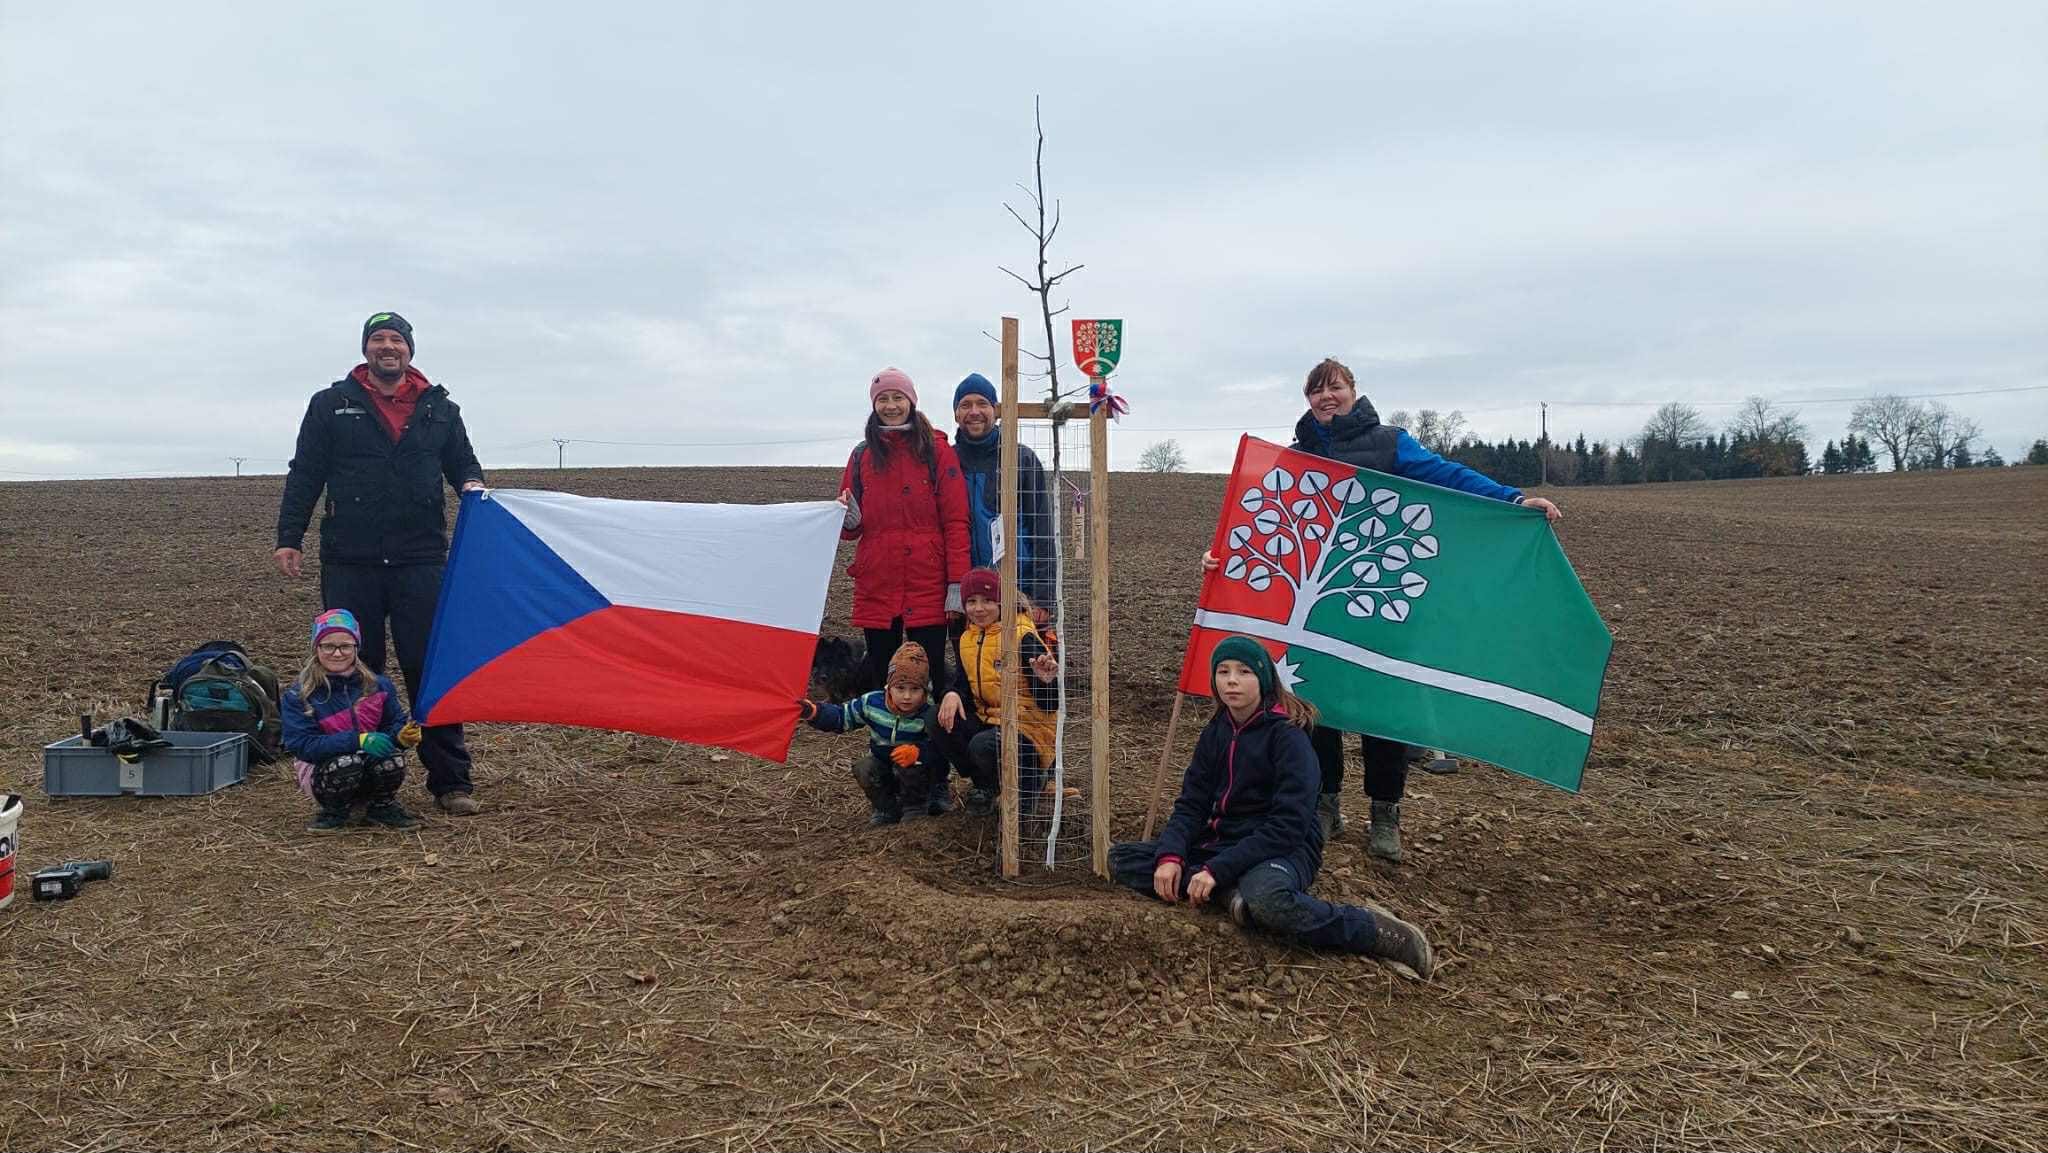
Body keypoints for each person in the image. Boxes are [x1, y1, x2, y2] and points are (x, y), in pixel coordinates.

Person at [1203, 357, 1561, 861]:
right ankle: (1324, 804)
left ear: (1353, 390)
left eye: (1335, 387)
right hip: (1321, 603)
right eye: (1316, 391)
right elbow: (1257, 511)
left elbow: (1446, 475)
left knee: (1384, 711)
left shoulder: (1390, 444)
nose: (1326, 397)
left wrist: (1512, 500)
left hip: (1381, 602)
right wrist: (1221, 556)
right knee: (1315, 711)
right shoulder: (1296, 457)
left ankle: (1385, 813)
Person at [1109, 637, 1434, 974]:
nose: (1232, 681)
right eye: (1223, 671)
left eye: (1244, 672)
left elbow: (1288, 826)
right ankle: (1229, 893)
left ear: (1263, 678)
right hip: (1223, 841)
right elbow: (1191, 804)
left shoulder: (1289, 736)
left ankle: (1373, 930)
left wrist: (1216, 869)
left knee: (1269, 902)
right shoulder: (1215, 732)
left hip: (1282, 849)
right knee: (1123, 859)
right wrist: (1171, 856)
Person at [275, 312, 486, 815]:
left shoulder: (441, 409)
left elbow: (463, 464)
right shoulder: (330, 404)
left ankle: (451, 782)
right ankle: (360, 781)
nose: (387, 347)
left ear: (409, 350)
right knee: (353, 667)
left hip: (420, 558)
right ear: (365, 349)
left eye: (396, 339)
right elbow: (306, 473)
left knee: (428, 667)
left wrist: (474, 487)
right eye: (377, 339)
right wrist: (289, 538)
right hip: (351, 558)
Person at [835, 367, 970, 810]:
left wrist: (956, 584)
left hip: (927, 582)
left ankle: (934, 779)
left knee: (931, 684)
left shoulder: (936, 452)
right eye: (883, 399)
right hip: (879, 584)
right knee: (884, 687)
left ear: (912, 401)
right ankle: (890, 783)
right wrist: (847, 517)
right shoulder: (861, 456)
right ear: (873, 405)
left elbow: (956, 520)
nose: (891, 406)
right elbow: (849, 526)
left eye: (898, 398)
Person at [934, 567, 1059, 816]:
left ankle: (1031, 784)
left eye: (988, 600)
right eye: (971, 601)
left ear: (1002, 602)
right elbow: (963, 683)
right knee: (936, 719)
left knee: (982, 745)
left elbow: (1050, 704)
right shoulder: (967, 640)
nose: (979, 608)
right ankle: (987, 786)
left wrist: (1046, 681)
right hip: (991, 720)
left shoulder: (1022, 636)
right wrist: (952, 693)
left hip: (1028, 727)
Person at [281, 609, 421, 832]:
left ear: (356, 648)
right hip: (326, 771)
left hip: (370, 765)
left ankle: (382, 806)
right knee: (347, 762)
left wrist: (400, 737)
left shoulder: (379, 685)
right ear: (316, 648)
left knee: (393, 758)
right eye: (328, 646)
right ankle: (334, 811)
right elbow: (302, 745)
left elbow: (393, 722)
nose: (337, 654)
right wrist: (358, 740)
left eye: (345, 646)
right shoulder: (300, 695)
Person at [799, 643, 942, 826]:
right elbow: (842, 717)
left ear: (924, 690)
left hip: (915, 771)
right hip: (883, 763)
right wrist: (814, 712)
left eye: (914, 689)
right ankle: (886, 808)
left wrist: (919, 752)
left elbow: (939, 749)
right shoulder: (872, 702)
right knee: (864, 768)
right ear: (889, 686)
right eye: (900, 688)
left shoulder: (929, 711)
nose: (907, 696)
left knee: (913, 767)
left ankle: (915, 808)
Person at [951, 373, 1055, 612]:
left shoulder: (1021, 458)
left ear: (996, 410)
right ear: (956, 414)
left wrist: (1043, 600)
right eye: (965, 405)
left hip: (1018, 591)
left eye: (982, 403)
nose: (974, 411)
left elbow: (1042, 531)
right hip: (967, 598)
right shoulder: (947, 461)